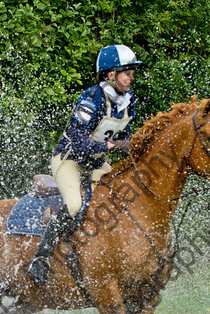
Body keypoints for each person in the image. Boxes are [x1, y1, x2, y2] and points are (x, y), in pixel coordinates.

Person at [27, 44, 142, 284]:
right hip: (69, 161)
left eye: (132, 73)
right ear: (110, 74)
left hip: (97, 163)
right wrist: (112, 147)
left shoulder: (127, 101)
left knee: (126, 195)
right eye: (127, 72)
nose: (132, 78)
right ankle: (41, 259)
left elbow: (125, 136)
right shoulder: (91, 100)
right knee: (74, 205)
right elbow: (78, 144)